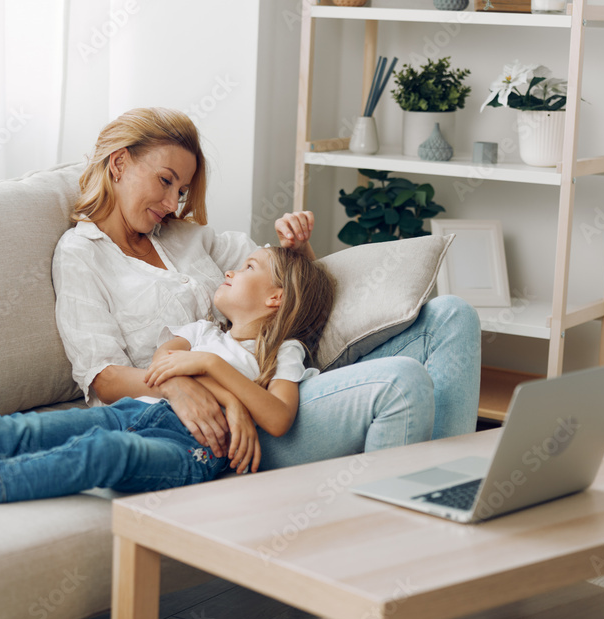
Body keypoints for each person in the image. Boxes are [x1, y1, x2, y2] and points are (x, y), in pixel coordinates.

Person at [52, 107, 480, 469]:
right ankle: (400, 521)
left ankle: (442, 484)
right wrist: (194, 389)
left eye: (181, 191)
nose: (171, 204)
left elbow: (286, 291)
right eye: (165, 182)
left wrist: (298, 248)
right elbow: (103, 377)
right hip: (229, 420)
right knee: (400, 380)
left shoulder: (186, 237)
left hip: (280, 379)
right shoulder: (81, 254)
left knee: (453, 315)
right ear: (119, 163)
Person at [0, 246, 336, 506]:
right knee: (7, 430)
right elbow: (163, 365)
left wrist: (211, 367)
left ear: (275, 298)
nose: (231, 268)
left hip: (191, 450)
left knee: (105, 455)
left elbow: (277, 417)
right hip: (129, 413)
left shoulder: (281, 351)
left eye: (248, 266)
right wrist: (226, 396)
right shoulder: (200, 330)